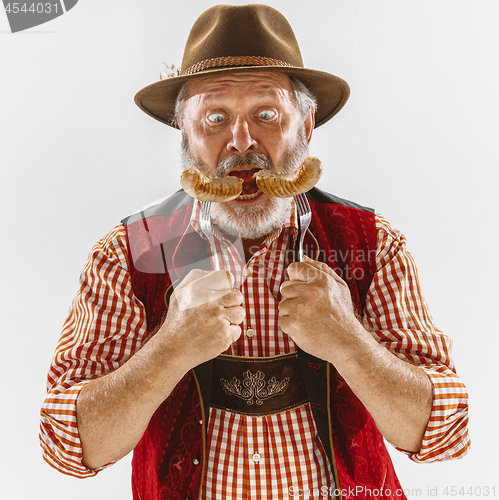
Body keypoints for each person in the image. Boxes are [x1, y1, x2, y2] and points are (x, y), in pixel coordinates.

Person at [40, 4, 469, 499]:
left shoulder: (372, 244)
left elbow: (445, 435)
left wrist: (350, 342)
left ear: (306, 127)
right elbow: (67, 449)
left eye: (266, 115)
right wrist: (169, 350)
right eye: (215, 118)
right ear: (185, 135)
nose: (241, 142)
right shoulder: (131, 252)